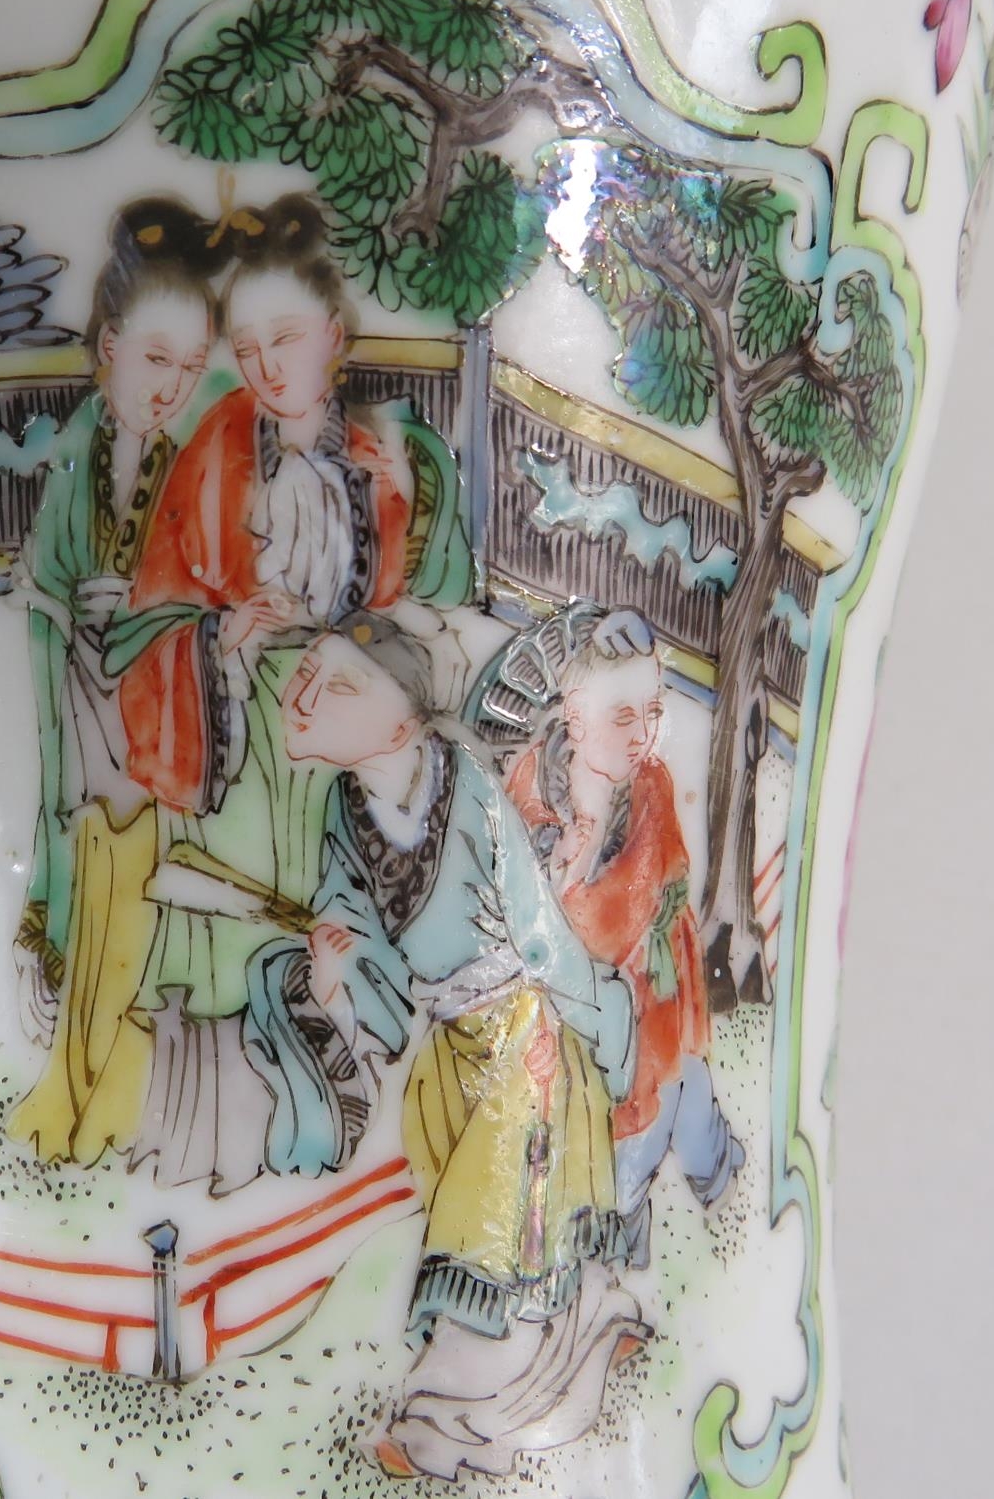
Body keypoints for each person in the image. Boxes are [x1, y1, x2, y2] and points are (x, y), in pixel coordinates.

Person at [106, 200, 473, 1191]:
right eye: (246, 347)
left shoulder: (391, 457)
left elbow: (431, 611)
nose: (265, 367)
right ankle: (219, 1133)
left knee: (339, 925)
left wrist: (364, 648)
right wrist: (222, 635)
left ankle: (349, 1119)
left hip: (346, 737)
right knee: (234, 939)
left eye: (285, 338)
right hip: (239, 740)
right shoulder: (216, 448)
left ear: (334, 336)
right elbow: (154, 608)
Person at [254, 622, 646, 1482]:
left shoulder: (462, 785)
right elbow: (356, 933)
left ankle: (439, 1420)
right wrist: (333, 974)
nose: (303, 698)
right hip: (449, 1042)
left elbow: (535, 925)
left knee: (483, 1222)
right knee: (471, 1202)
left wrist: (582, 1020)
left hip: (520, 1036)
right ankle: (561, 1351)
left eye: (338, 685)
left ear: (406, 718)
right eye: (306, 675)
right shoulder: (346, 811)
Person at [7, 200, 223, 1167]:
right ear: (108, 350)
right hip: (84, 703)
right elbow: (41, 577)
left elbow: (211, 581)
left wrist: (149, 606)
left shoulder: (192, 461)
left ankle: (105, 1097)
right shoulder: (75, 451)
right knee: (93, 887)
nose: (171, 387)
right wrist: (71, 609)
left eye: (190, 366)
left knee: (132, 899)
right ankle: (71, 1083)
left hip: (153, 709)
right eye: (154, 359)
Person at [506, 611, 744, 1266]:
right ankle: (617, 1256)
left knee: (682, 1096)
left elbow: (659, 887)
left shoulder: (652, 785)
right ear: (575, 716)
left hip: (657, 994)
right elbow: (527, 920)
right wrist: (571, 866)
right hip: (576, 1019)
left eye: (653, 713)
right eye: (621, 717)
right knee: (623, 1146)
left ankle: (724, 1200)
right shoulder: (532, 793)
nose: (642, 735)